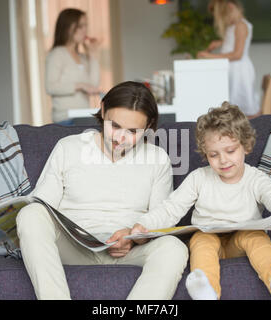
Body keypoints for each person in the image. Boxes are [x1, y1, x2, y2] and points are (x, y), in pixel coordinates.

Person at [14, 81, 188, 300]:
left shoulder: (157, 159)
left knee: (173, 247)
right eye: (114, 126)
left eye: (133, 131)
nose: (119, 138)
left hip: (126, 250)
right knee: (31, 213)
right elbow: (42, 206)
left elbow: (159, 221)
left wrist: (133, 238)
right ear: (103, 110)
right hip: (73, 246)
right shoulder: (69, 147)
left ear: (149, 126)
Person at [131, 102, 271, 300]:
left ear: (246, 146)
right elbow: (171, 208)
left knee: (256, 237)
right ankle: (207, 293)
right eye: (214, 155)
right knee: (200, 242)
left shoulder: (256, 178)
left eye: (230, 151)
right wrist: (144, 225)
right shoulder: (199, 178)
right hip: (208, 237)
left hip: (241, 239)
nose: (223, 160)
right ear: (206, 154)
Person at [197, 0, 260, 119]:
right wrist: (220, 43)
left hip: (240, 72)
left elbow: (237, 54)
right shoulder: (233, 26)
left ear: (231, 8)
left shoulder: (241, 25)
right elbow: (233, 41)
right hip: (233, 71)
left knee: (246, 109)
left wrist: (210, 56)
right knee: (235, 108)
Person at [45, 8, 101, 125]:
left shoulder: (82, 57)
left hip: (82, 115)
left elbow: (93, 86)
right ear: (68, 28)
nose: (85, 30)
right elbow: (50, 87)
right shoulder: (57, 54)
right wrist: (79, 85)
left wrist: (93, 55)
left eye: (86, 26)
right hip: (65, 118)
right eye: (80, 26)